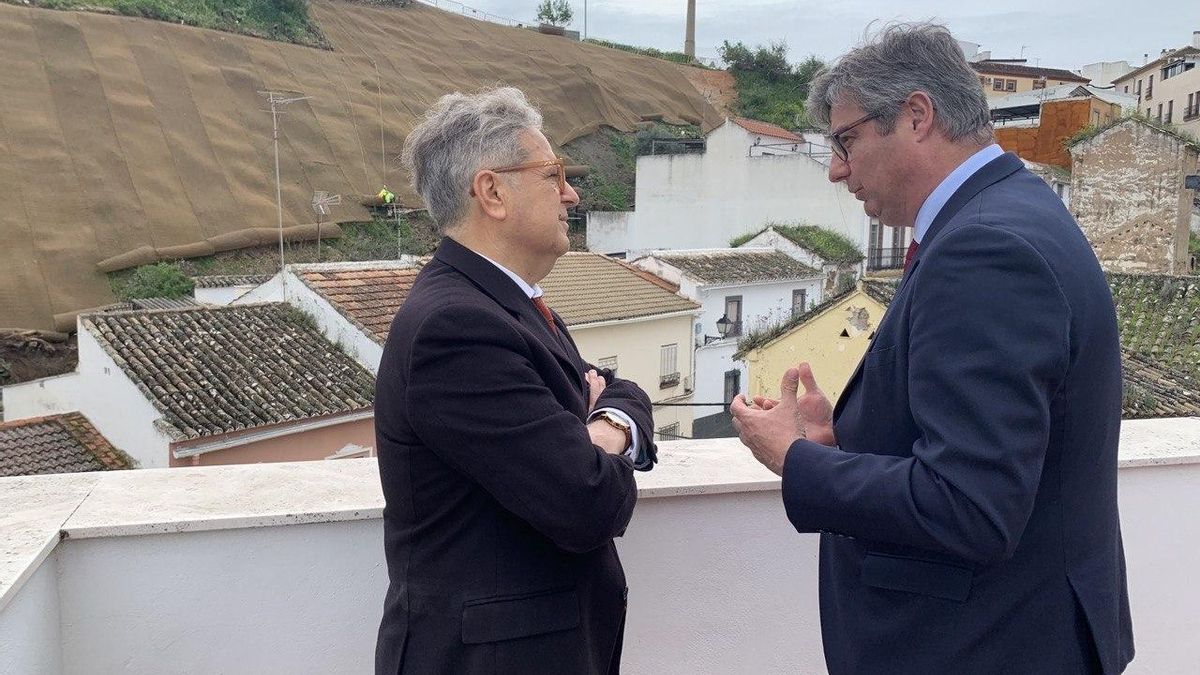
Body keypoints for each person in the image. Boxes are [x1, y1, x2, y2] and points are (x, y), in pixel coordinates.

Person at [731, 23, 1133, 674]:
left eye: (846, 140)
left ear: (916, 116)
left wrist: (800, 459)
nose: (837, 170)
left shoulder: (983, 250)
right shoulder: (1012, 209)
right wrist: (846, 441)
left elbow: (971, 505)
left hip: (984, 647)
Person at [373, 87, 657, 675]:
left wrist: (602, 419)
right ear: (493, 192)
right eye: (553, 175)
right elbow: (586, 503)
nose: (571, 193)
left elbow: (612, 386)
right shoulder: (458, 329)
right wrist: (604, 436)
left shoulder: (505, 306)